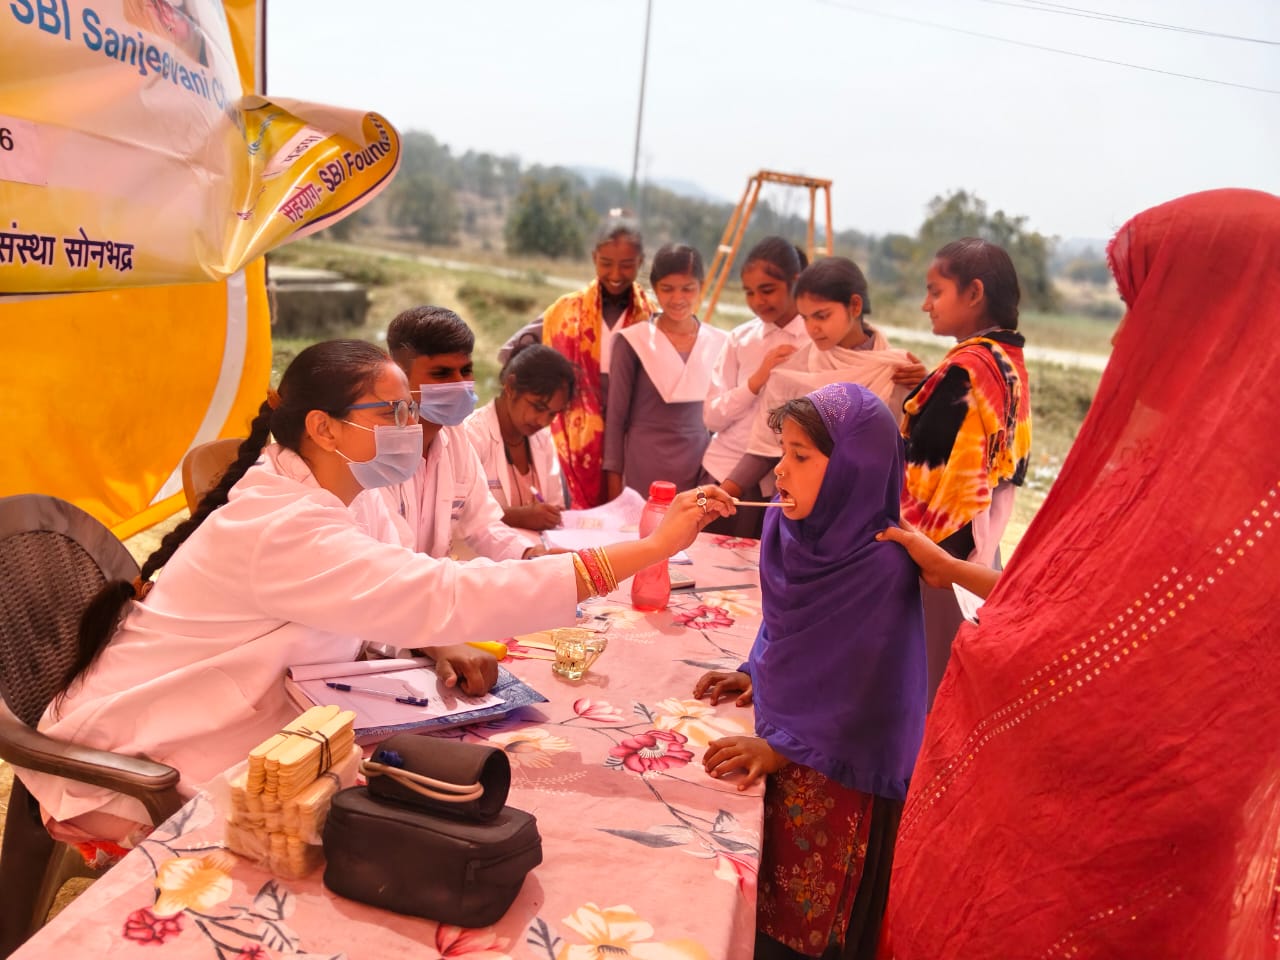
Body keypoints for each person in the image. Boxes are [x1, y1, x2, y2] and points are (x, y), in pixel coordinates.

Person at [18, 339, 734, 846]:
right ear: (323, 428)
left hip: (254, 712)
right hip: (141, 755)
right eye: (388, 415)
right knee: (374, 839)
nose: (409, 428)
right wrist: (649, 550)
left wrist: (436, 638)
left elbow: (405, 590)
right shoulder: (282, 524)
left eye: (408, 410)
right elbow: (440, 590)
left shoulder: (346, 489)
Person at [882, 189, 1280, 959]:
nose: (1132, 333)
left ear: (1213, 312)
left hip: (1124, 824)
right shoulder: (1206, 460)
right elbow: (1074, 601)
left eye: (1148, 302)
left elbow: (1108, 651)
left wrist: (982, 626)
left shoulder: (1222, 488)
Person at [695, 383, 926, 960]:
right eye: (782, 450)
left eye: (801, 457)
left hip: (842, 768)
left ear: (855, 467)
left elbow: (866, 690)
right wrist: (755, 668)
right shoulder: (787, 528)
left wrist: (783, 748)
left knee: (807, 928)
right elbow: (785, 623)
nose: (780, 472)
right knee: (758, 894)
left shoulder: (881, 563)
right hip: (785, 730)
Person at [901, 238, 1032, 705]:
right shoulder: (1008, 363)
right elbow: (1012, 461)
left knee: (928, 680)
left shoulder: (965, 369)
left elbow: (925, 466)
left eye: (936, 291)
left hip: (938, 550)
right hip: (983, 542)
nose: (926, 304)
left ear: (973, 293)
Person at [720, 256, 924, 499]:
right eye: (805, 317)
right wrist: (723, 492)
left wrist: (928, 390)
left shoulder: (897, 371)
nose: (812, 328)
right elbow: (766, 447)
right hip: (796, 504)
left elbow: (906, 449)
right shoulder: (793, 370)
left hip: (862, 506)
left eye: (822, 315)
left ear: (855, 306)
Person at [352, 306, 538, 562]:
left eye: (466, 371)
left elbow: (482, 523)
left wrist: (531, 554)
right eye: (441, 373)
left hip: (431, 587)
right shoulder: (374, 447)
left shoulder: (457, 439)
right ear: (398, 375)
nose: (459, 384)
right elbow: (392, 557)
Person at [502, 215, 654, 508]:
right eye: (606, 262)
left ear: (641, 261)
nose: (616, 273)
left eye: (626, 264)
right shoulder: (566, 309)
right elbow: (511, 352)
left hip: (629, 430)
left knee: (623, 509)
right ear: (594, 257)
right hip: (574, 434)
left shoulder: (652, 315)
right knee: (573, 510)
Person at [699, 237, 812, 537]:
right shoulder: (740, 339)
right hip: (722, 472)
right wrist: (756, 381)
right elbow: (711, 417)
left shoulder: (816, 342)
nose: (758, 301)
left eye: (767, 290)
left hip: (782, 485)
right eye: (749, 292)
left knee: (758, 574)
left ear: (796, 282)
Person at [604, 243, 728, 498]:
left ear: (702, 287)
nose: (677, 298)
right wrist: (614, 489)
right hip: (642, 463)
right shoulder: (632, 342)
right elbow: (615, 420)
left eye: (687, 289)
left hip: (698, 464)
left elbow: (723, 416)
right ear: (654, 289)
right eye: (667, 289)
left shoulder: (720, 342)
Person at [463, 343, 574, 550]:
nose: (542, 421)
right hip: (485, 563)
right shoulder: (471, 436)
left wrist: (549, 515)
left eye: (552, 414)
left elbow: (554, 506)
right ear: (511, 387)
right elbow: (462, 515)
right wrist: (517, 517)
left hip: (539, 557)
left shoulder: (541, 439)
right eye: (538, 407)